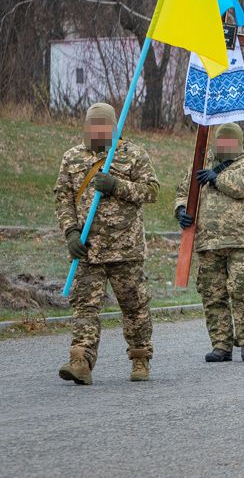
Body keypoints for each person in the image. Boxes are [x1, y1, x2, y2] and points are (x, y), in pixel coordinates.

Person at [54, 102, 159, 385]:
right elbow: (63, 198)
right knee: (85, 308)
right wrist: (71, 233)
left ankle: (140, 358)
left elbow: (151, 191)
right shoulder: (72, 157)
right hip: (87, 249)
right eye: (92, 126)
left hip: (126, 248)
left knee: (134, 307)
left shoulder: (133, 155)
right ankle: (81, 360)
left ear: (114, 127)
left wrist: (117, 186)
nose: (97, 131)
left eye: (103, 126)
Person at [174, 123, 244, 362]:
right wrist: (181, 209)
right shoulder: (201, 163)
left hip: (240, 241)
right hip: (208, 242)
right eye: (220, 143)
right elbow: (184, 190)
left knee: (242, 289)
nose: (224, 147)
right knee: (213, 294)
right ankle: (221, 343)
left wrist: (217, 178)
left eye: (229, 143)